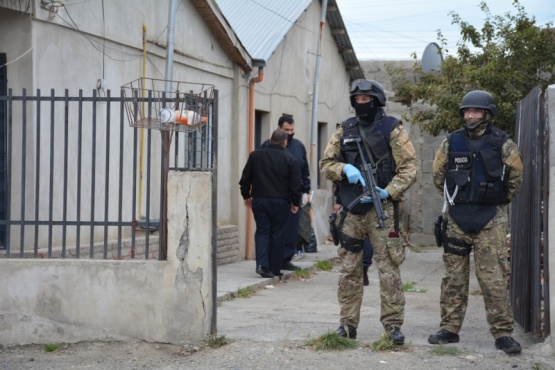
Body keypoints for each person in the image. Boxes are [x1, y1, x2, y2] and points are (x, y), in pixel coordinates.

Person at [320, 79, 417, 343]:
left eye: (366, 99)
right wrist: (343, 170)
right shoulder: (344, 130)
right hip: (352, 210)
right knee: (349, 270)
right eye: (357, 100)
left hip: (381, 208)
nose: (361, 104)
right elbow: (326, 163)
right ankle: (347, 325)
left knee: (388, 269)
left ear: (376, 101)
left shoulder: (392, 129)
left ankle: (393, 327)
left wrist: (391, 191)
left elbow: (409, 168)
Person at [428, 90, 524, 354]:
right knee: (453, 279)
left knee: (493, 279)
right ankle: (449, 329)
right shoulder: (451, 142)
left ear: (487, 114)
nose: (470, 115)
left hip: (490, 220)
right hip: (457, 219)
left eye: (476, 111)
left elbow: (515, 179)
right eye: (467, 111)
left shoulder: (503, 144)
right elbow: (439, 176)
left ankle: (503, 333)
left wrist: (494, 202)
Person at [239, 128, 302, 278]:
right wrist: (295, 203)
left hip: (260, 200)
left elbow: (245, 179)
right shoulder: (290, 159)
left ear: (270, 139)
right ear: (285, 142)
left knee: (262, 231)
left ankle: (262, 264)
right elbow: (295, 185)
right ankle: (274, 268)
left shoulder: (255, 156)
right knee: (278, 234)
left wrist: (246, 196)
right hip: (280, 202)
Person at [262, 114, 310, 271]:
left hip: (293, 195)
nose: (289, 133)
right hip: (275, 194)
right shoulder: (267, 146)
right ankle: (269, 260)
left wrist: (305, 192)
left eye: (292, 129)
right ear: (279, 128)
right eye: (286, 130)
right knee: (274, 231)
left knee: (292, 229)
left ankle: (286, 258)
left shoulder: (299, 146)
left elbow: (304, 171)